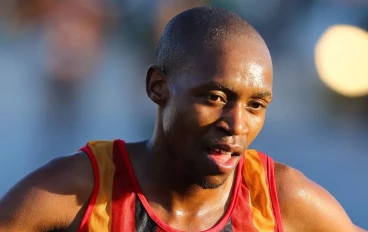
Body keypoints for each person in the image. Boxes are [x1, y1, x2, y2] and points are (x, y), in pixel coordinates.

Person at [0, 6, 366, 232]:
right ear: (158, 87)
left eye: (256, 105)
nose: (237, 125)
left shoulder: (279, 199)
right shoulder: (76, 191)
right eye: (215, 97)